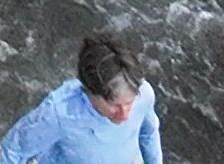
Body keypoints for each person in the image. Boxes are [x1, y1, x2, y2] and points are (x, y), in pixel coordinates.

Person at [11, 37, 169, 164]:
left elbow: (148, 134)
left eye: (129, 103)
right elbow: (13, 150)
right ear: (90, 92)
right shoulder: (58, 113)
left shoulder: (144, 94)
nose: (124, 115)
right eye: (115, 105)